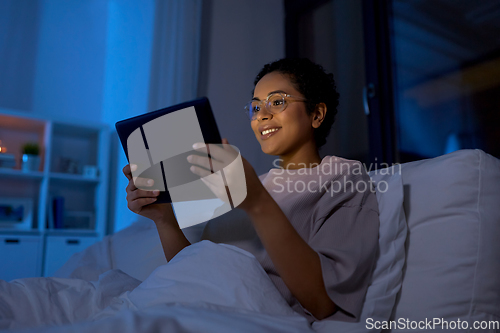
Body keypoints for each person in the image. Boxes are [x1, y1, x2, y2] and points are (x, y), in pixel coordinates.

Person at [122, 58, 379, 324]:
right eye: (255, 107)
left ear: (316, 114)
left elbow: (324, 302)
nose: (262, 115)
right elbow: (195, 272)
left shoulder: (342, 177)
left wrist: (256, 201)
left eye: (277, 102)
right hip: (194, 308)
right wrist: (165, 219)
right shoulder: (243, 185)